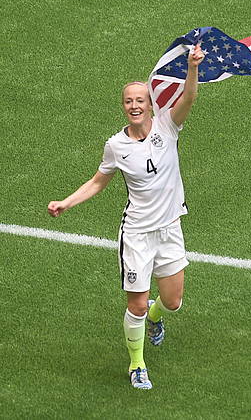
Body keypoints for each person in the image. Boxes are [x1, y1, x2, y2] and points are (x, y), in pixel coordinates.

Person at [48, 43, 205, 389]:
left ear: (150, 104)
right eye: (128, 101)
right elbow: (98, 181)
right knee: (135, 304)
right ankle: (137, 365)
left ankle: (156, 317)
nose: (135, 105)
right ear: (124, 107)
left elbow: (189, 98)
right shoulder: (115, 146)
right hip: (136, 235)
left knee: (173, 302)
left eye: (140, 100)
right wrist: (67, 202)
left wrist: (192, 67)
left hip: (170, 228)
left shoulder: (168, 126)